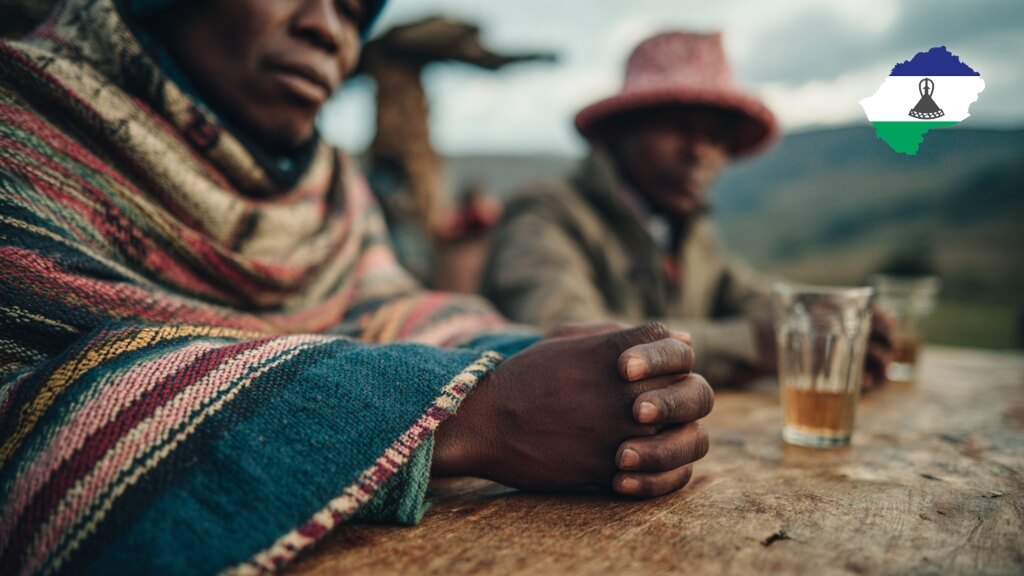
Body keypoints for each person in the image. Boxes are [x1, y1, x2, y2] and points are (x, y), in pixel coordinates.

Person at [0, 3, 712, 574]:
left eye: (353, 11)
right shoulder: (18, 135)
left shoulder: (330, 195)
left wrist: (538, 354)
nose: (328, 31)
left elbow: (386, 309)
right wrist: (475, 415)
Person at [482, 31, 891, 388]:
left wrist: (830, 318)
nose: (699, 152)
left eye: (715, 137)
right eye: (677, 126)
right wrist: (761, 345)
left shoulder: (688, 231)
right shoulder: (543, 215)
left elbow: (747, 295)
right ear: (623, 131)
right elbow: (574, 346)